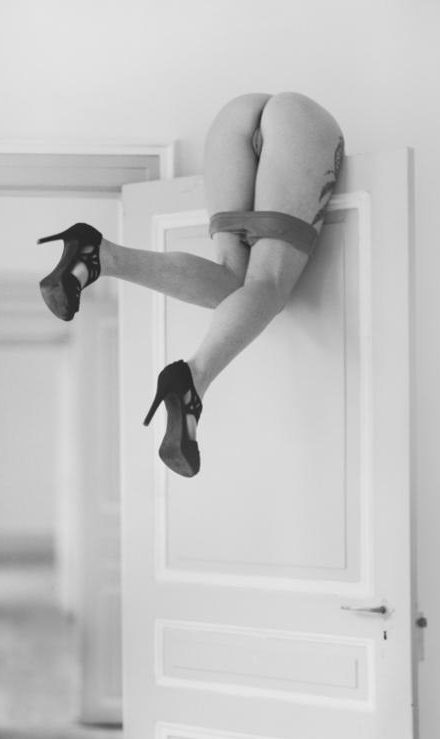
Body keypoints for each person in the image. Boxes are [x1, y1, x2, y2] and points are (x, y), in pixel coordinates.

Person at [36, 91, 344, 477]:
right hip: (300, 122)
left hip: (232, 119)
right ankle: (195, 376)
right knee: (267, 283)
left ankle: (101, 255)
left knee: (233, 279)